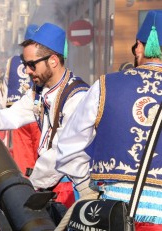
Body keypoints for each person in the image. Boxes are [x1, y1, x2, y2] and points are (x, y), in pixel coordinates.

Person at [56, 10, 162, 231]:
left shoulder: (106, 85)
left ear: (139, 48)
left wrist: (85, 187)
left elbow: (68, 146)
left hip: (115, 214)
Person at [0, 22, 89, 209]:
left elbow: (61, 153)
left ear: (53, 61)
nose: (26, 71)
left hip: (72, 188)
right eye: (25, 64)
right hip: (52, 182)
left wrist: (31, 185)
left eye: (31, 64)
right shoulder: (40, 91)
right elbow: (11, 116)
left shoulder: (77, 97)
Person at [3, 24, 41, 177]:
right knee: (41, 151)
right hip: (37, 111)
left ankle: (26, 185)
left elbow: (6, 85)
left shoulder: (11, 61)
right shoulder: (45, 59)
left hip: (17, 113)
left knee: (22, 155)